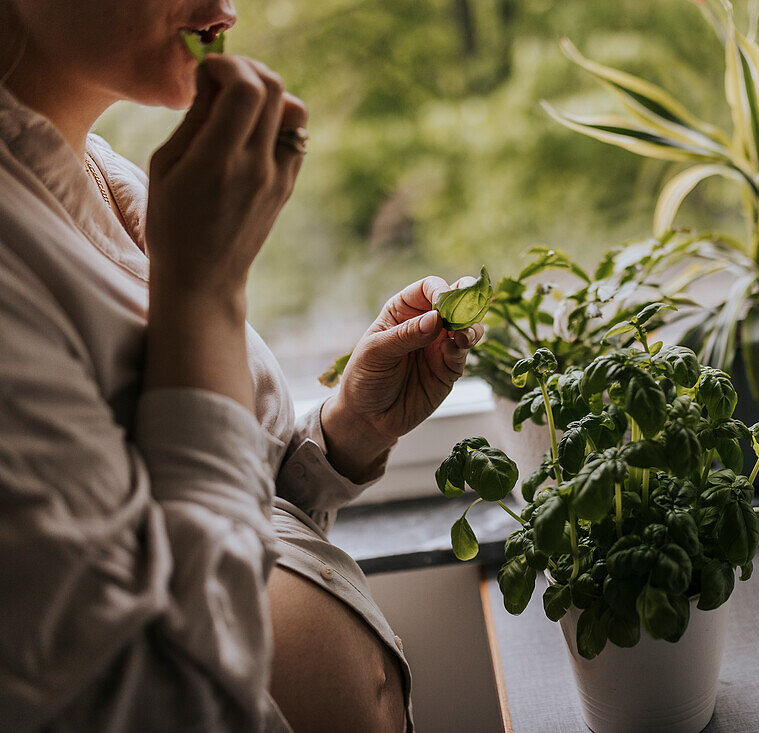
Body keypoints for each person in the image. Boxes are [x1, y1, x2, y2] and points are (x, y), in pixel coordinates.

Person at [0, 1, 485, 730]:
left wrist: (344, 434)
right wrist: (207, 292)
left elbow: (207, 515)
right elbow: (158, 702)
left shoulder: (101, 169)